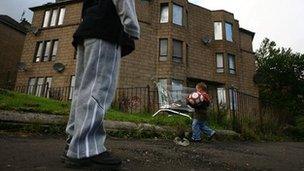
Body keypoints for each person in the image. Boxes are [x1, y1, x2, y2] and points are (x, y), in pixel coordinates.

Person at [63, 0, 140, 169]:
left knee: (82, 91)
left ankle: (73, 143)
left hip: (88, 29)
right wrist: (132, 27)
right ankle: (85, 149)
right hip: (106, 29)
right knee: (98, 89)